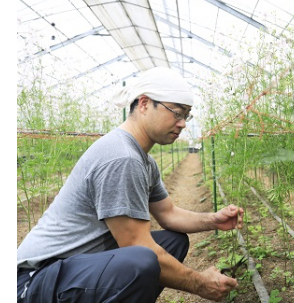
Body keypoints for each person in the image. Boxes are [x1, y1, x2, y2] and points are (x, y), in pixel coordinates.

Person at [17, 67, 245, 302]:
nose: (182, 124)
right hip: (36, 278)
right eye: (177, 113)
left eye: (186, 116)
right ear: (144, 104)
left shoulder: (144, 160)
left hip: (75, 264)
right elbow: (135, 243)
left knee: (173, 241)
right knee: (143, 260)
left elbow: (168, 214)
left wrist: (213, 220)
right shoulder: (121, 157)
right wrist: (200, 283)